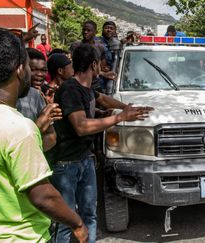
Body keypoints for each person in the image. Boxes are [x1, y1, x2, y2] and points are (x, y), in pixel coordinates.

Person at [0, 29, 88, 243]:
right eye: (29, 65)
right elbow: (43, 196)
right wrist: (77, 223)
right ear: (20, 70)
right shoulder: (19, 128)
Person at [50, 43, 153, 243]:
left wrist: (129, 108)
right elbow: (81, 126)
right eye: (100, 64)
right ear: (94, 65)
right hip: (66, 164)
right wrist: (120, 117)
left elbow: (104, 100)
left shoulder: (86, 89)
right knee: (66, 219)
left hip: (84, 159)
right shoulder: (70, 89)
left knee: (89, 213)